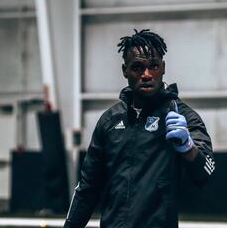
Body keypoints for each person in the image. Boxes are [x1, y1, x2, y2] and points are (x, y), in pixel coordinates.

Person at [63, 29, 215, 228]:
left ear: (163, 68)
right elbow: (87, 188)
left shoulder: (183, 117)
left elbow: (207, 172)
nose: (146, 75)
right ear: (125, 70)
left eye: (153, 66)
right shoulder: (109, 121)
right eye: (138, 67)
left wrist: (188, 148)